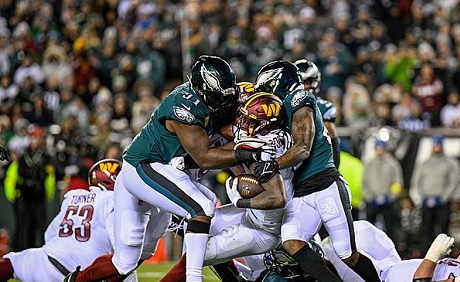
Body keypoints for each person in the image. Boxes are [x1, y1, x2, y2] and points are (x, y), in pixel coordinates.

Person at [64, 55, 272, 282]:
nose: (227, 104)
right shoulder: (184, 106)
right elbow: (204, 158)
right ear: (200, 89)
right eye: (218, 97)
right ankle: (194, 278)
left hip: (168, 174)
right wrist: (247, 150)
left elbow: (226, 152)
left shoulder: (224, 104)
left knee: (127, 262)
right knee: (201, 207)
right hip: (143, 168)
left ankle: (76, 280)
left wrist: (252, 173)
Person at [254, 60, 380, 282]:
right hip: (303, 191)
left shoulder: (299, 99)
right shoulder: (283, 110)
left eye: (266, 90)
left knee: (347, 255)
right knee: (292, 242)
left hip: (325, 186)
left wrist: (273, 165)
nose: (265, 98)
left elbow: (302, 148)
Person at [162, 92, 294, 282]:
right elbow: (230, 149)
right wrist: (189, 163)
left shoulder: (265, 150)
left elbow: (277, 197)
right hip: (253, 216)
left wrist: (240, 200)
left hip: (262, 230)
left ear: (265, 124)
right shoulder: (275, 138)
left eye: (249, 120)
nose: (242, 123)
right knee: (198, 233)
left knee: (194, 254)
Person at [0, 159, 137, 282]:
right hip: (81, 273)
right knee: (127, 268)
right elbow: (122, 249)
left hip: (46, 262)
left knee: (11, 262)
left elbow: (49, 234)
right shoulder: (113, 200)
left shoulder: (74, 196)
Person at [4, 126, 56, 251]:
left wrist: (47, 195)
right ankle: (20, 252)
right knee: (23, 227)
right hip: (24, 196)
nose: (34, 140)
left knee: (41, 226)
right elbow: (11, 176)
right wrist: (12, 195)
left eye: (37, 138)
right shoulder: (22, 157)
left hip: (38, 197)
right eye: (33, 137)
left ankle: (44, 253)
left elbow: (50, 178)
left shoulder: (46, 158)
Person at [410, 135, 460, 256]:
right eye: (435, 144)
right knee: (427, 231)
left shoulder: (449, 163)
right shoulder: (424, 163)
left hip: (442, 203)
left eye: (439, 144)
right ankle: (426, 256)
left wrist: (443, 198)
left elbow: (453, 182)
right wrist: (423, 197)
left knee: (443, 230)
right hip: (426, 201)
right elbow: (417, 181)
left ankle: (445, 256)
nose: (436, 147)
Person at [294, 59, 340, 168]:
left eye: (307, 82)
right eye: (300, 82)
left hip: (315, 162)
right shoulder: (284, 105)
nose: (303, 87)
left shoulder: (323, 108)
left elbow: (333, 146)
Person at [362, 139, 403, 243]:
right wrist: (370, 197)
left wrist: (390, 196)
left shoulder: (392, 164)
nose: (379, 151)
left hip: (388, 202)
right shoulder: (369, 164)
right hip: (372, 201)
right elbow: (364, 183)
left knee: (390, 228)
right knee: (369, 229)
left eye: (381, 148)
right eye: (377, 148)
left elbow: (397, 182)